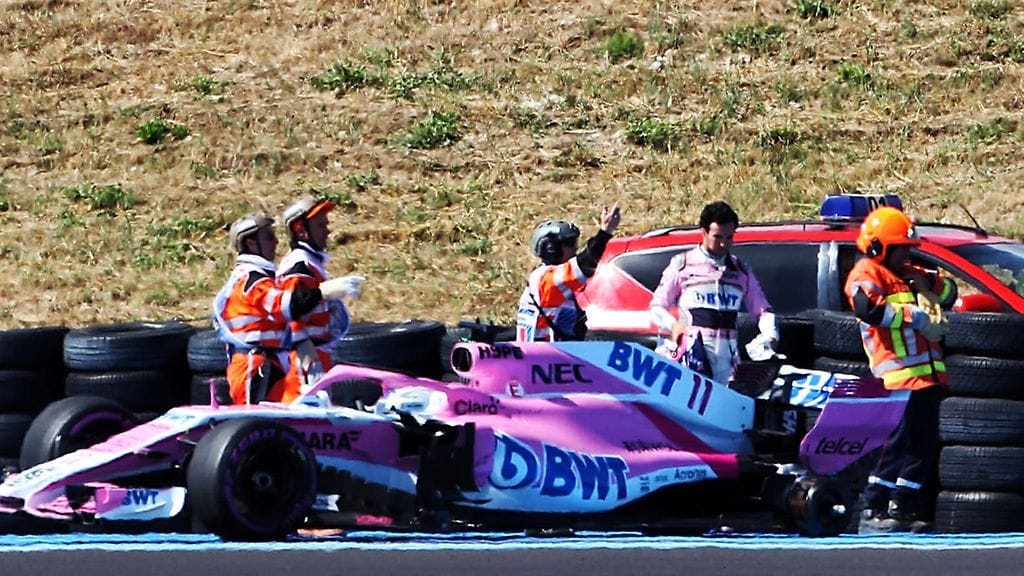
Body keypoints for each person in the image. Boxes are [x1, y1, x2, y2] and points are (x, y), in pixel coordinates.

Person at [845, 205, 956, 534]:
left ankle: (903, 508)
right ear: (879, 247)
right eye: (901, 247)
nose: (906, 253)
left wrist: (927, 282)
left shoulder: (907, 272)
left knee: (923, 446)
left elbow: (950, 292)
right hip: (896, 379)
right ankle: (873, 507)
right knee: (893, 447)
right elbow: (868, 309)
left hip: (928, 378)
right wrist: (913, 316)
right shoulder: (866, 272)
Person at [649, 201, 777, 384]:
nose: (724, 243)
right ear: (704, 232)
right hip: (690, 359)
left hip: (727, 365)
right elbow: (657, 307)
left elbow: (763, 310)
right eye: (717, 237)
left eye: (729, 237)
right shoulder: (683, 264)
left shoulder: (741, 270)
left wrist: (770, 336)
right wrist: (673, 326)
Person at [212, 212, 325, 404]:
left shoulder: (256, 277)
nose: (276, 242)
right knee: (263, 420)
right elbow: (288, 306)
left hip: (269, 364)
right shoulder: (252, 279)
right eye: (269, 237)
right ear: (251, 244)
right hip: (253, 367)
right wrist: (325, 291)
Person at [278, 195, 365, 394]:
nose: (328, 231)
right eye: (320, 225)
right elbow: (291, 313)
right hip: (304, 361)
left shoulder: (309, 261)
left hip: (317, 353)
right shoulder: (300, 264)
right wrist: (309, 360)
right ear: (301, 230)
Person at [515, 202, 622, 342]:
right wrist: (605, 232)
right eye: (570, 243)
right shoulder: (546, 279)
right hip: (543, 353)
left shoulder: (551, 279)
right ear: (551, 249)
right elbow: (586, 264)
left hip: (553, 351)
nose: (575, 248)